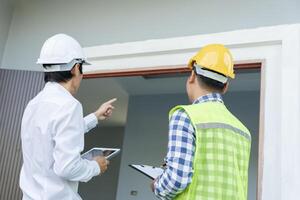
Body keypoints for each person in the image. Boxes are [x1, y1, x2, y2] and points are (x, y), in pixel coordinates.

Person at [20, 34, 117, 200]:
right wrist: (96, 166)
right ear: (75, 68)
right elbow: (68, 168)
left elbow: (53, 133)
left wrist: (95, 116)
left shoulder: (34, 104)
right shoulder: (69, 105)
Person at [152, 44, 251, 200]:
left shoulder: (186, 116)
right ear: (225, 86)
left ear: (192, 76)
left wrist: (157, 185)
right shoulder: (243, 131)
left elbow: (176, 180)